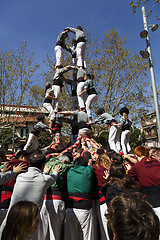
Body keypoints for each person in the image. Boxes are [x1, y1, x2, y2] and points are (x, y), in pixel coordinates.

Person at [0, 153, 62, 240]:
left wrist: (44, 172)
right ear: (43, 165)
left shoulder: (20, 177)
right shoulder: (45, 179)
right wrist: (55, 171)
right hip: (28, 225)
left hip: (10, 221)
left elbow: (36, 178)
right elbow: (52, 178)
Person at [64, 157, 94, 240]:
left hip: (71, 208)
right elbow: (90, 165)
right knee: (87, 236)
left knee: (70, 236)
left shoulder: (69, 171)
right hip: (85, 208)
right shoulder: (89, 171)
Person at [127, 146, 160, 219]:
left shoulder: (137, 166)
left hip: (152, 199)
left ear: (136, 155)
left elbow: (128, 175)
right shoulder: (156, 161)